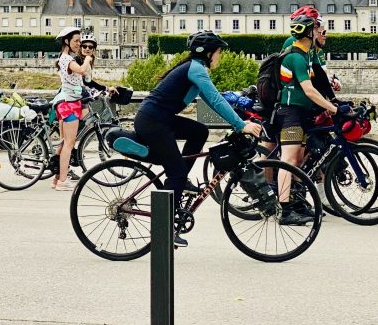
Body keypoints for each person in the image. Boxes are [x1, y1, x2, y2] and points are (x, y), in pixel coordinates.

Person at [134, 31, 262, 247]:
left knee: (199, 131)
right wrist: (241, 125)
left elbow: (213, 102)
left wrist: (236, 122)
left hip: (160, 119)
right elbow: (215, 98)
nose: (220, 57)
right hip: (153, 122)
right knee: (176, 173)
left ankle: (181, 179)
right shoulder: (196, 69)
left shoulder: (195, 69)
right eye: (219, 52)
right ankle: (164, 231)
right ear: (209, 53)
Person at [275, 14, 339, 226]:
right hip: (291, 114)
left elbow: (319, 80)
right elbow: (309, 90)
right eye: (316, 30)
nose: (320, 33)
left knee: (299, 160)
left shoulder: (305, 55)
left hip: (300, 114)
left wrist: (332, 98)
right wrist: (332, 108)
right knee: (289, 160)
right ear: (309, 33)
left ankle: (295, 202)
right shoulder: (296, 57)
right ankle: (284, 210)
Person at [51, 28, 91, 191]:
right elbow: (81, 70)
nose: (79, 44)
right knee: (69, 143)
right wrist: (88, 58)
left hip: (69, 102)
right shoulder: (67, 58)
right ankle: (62, 180)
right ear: (66, 41)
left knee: (63, 143)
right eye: (76, 41)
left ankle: (56, 178)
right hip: (69, 103)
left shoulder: (65, 58)